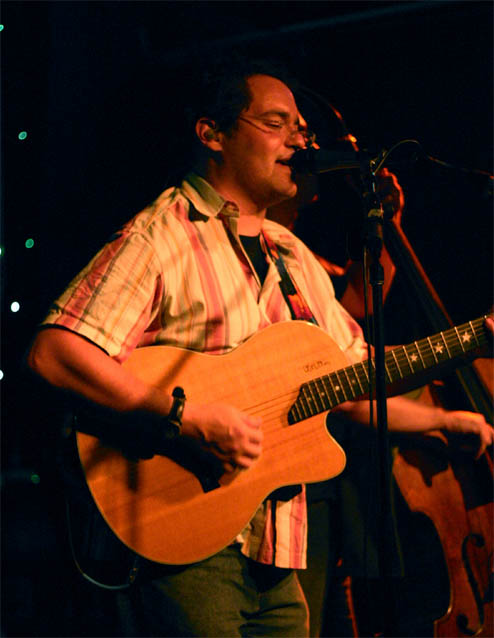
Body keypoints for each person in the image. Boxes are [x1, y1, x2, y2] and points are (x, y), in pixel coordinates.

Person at [28, 58, 493, 637]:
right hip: (184, 540)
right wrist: (184, 419)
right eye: (277, 123)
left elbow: (351, 378)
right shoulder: (162, 235)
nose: (300, 140)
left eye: (303, 129)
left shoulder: (290, 253)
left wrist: (472, 348)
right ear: (212, 133)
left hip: (278, 550)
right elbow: (55, 352)